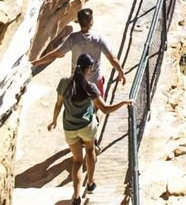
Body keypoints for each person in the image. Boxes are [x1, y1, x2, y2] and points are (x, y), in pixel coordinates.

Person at [48, 53, 132, 205]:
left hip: (69, 127)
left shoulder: (64, 83)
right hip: (87, 127)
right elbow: (105, 109)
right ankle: (91, 182)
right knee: (90, 151)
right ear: (87, 69)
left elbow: (58, 105)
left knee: (77, 161)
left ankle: (76, 195)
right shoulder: (90, 88)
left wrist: (53, 121)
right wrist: (124, 102)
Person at [32, 8, 126, 96]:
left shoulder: (73, 38)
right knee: (96, 107)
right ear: (91, 22)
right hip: (95, 83)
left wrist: (37, 62)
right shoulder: (98, 39)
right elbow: (112, 59)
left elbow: (55, 54)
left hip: (77, 83)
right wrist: (121, 72)